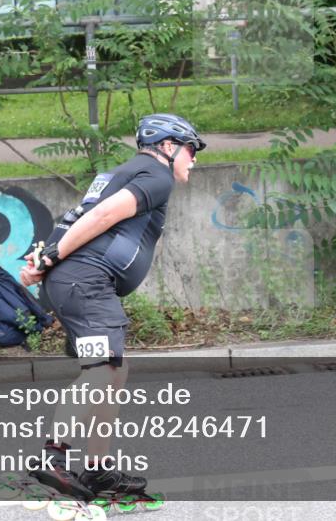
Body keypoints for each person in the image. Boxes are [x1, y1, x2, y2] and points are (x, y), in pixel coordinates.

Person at [19, 113, 205, 500]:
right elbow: (102, 215)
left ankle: (98, 470)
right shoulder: (156, 175)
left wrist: (42, 260)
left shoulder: (123, 172)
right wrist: (50, 258)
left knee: (113, 370)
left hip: (78, 283)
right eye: (191, 148)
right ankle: (52, 459)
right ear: (168, 147)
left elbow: (75, 217)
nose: (195, 158)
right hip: (86, 282)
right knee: (102, 371)